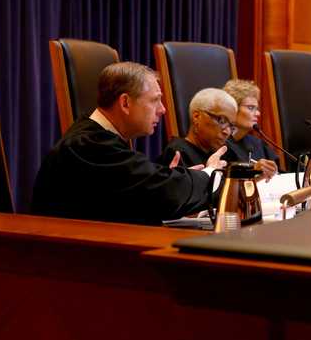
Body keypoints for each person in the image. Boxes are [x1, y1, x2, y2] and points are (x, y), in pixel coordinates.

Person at [32, 62, 226, 225]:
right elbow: (163, 193)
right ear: (125, 103)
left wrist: (167, 180)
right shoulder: (88, 146)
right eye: (155, 100)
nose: (163, 109)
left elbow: (142, 198)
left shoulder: (99, 139)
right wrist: (207, 174)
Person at [160, 88, 239, 168]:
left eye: (231, 126)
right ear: (197, 117)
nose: (227, 132)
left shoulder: (225, 152)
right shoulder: (177, 153)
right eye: (222, 121)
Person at [223, 79, 279, 180]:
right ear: (232, 108)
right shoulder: (220, 145)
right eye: (251, 108)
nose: (258, 113)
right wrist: (254, 172)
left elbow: (278, 173)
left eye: (257, 108)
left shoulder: (257, 143)